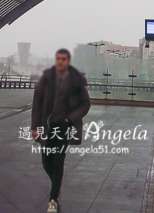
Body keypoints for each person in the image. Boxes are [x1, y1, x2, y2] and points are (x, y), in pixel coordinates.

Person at [31, 48, 91, 212]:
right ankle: (56, 187)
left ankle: (53, 199)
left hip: (64, 128)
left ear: (68, 61)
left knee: (58, 161)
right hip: (47, 128)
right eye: (59, 59)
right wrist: (34, 128)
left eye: (64, 59)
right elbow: (36, 106)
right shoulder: (45, 80)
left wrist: (70, 118)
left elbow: (85, 105)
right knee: (46, 162)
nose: (61, 62)